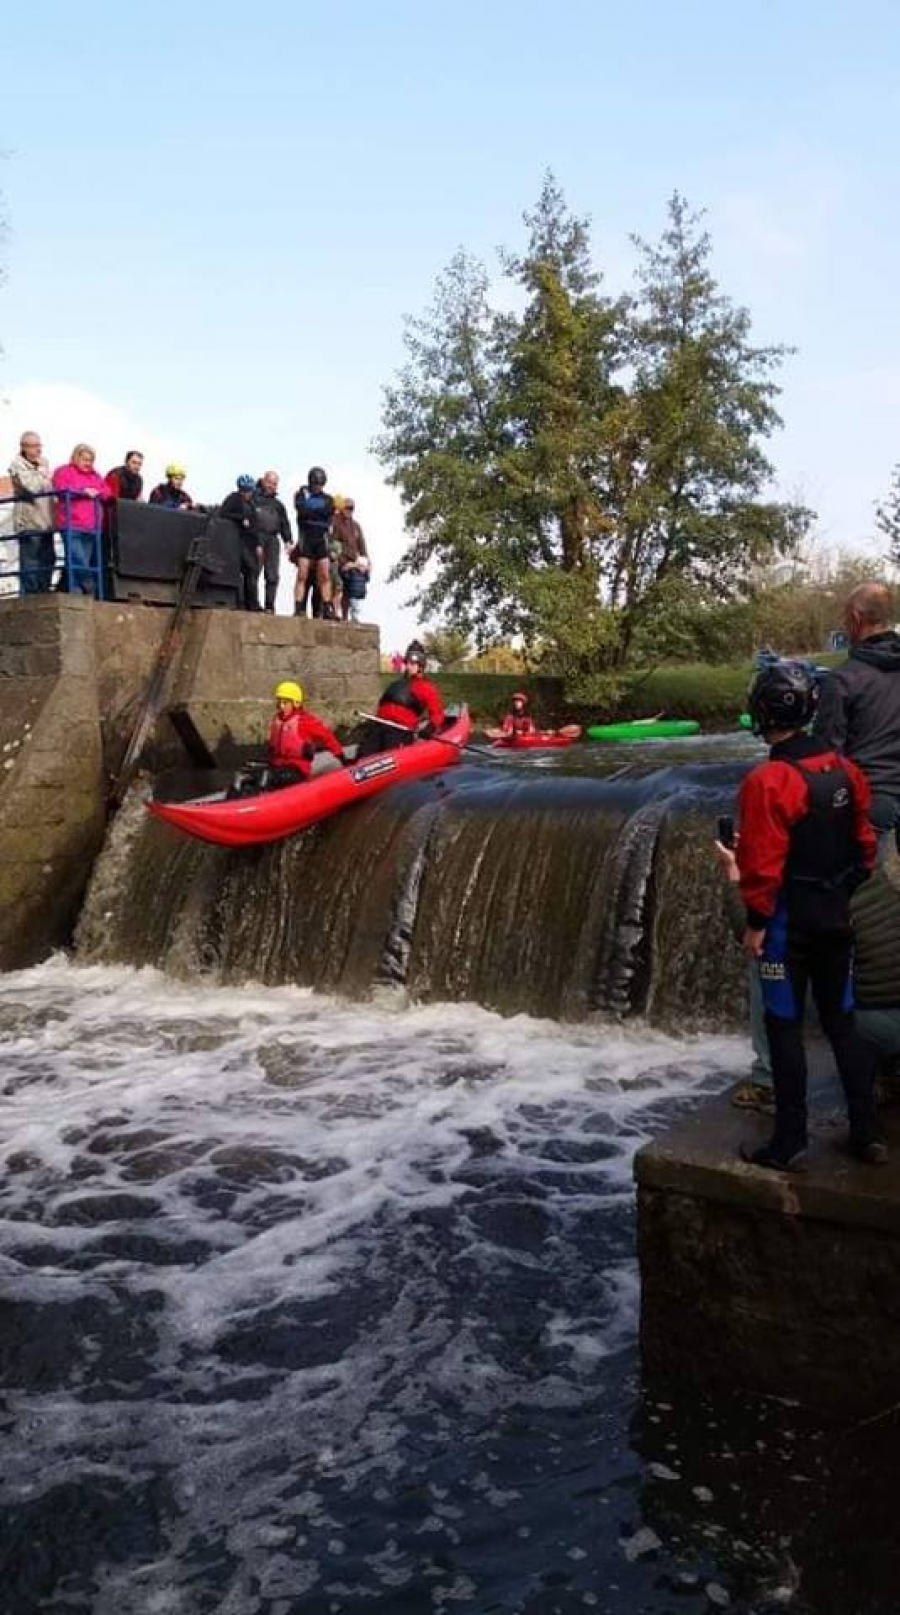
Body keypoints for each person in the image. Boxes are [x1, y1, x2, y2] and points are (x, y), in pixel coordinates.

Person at [735, 660, 885, 1170]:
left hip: (785, 926)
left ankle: (790, 1141)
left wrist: (756, 924)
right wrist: (841, 893)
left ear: (763, 713)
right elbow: (865, 846)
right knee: (843, 1022)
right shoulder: (848, 772)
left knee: (784, 1026)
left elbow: (761, 864)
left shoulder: (768, 781)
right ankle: (867, 1133)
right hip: (836, 917)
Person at [813, 582, 900, 853]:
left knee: (863, 892)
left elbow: (827, 758)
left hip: (871, 798)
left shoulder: (841, 680)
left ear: (856, 617)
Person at [357, 641, 445, 757]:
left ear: (421, 666)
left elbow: (437, 714)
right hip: (379, 727)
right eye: (408, 663)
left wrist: (430, 728)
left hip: (399, 731)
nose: (408, 667)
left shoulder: (427, 688)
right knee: (363, 754)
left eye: (413, 664)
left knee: (388, 754)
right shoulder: (396, 684)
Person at [52, 443, 109, 594]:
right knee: (78, 560)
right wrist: (82, 491)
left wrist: (97, 492)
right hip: (72, 524)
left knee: (79, 564)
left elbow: (107, 491)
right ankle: (90, 586)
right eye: (85, 459)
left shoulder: (95, 475)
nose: (88, 463)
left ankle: (77, 595)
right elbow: (60, 488)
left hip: (92, 526)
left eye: (91, 460)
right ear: (76, 457)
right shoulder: (63, 471)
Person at [267, 680, 346, 783]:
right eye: (279, 702)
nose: (281, 706)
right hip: (277, 763)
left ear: (296, 703)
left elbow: (327, 736)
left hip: (297, 767)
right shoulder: (277, 719)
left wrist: (340, 756)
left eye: (285, 703)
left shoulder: (305, 720)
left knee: (283, 777)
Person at [8, 431, 55, 593]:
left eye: (39, 446)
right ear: (24, 447)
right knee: (31, 560)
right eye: (34, 446)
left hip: (46, 521)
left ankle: (44, 590)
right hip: (29, 521)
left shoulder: (44, 464)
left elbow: (50, 490)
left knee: (48, 558)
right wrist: (42, 470)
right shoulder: (17, 465)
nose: (38, 450)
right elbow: (32, 487)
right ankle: (31, 594)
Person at [294, 466, 335, 619]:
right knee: (302, 574)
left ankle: (328, 607)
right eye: (315, 483)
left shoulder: (328, 499)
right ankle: (298, 607)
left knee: (325, 574)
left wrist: (311, 508)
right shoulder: (301, 494)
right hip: (306, 537)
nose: (317, 486)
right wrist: (315, 511)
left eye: (320, 484)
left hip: (321, 538)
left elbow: (328, 511)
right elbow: (301, 511)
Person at [219, 475, 261, 611]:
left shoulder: (251, 504)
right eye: (245, 491)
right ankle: (241, 603)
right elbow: (223, 513)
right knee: (244, 570)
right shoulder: (233, 499)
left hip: (249, 543)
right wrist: (240, 519)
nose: (247, 494)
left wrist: (257, 544)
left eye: (249, 491)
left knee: (252, 572)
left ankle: (252, 603)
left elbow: (255, 526)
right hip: (237, 541)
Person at [254, 470, 292, 613]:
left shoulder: (278, 505)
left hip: (272, 539)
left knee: (272, 574)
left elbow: (284, 523)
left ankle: (270, 605)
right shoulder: (253, 498)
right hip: (256, 537)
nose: (272, 486)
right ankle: (251, 602)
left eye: (275, 484)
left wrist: (288, 540)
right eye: (270, 482)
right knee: (253, 571)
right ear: (264, 481)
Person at [333, 496, 370, 622]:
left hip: (352, 564)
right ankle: (335, 614)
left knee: (350, 592)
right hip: (339, 562)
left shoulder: (356, 526)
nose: (349, 510)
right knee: (338, 588)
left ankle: (346, 617)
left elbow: (362, 545)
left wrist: (367, 562)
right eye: (347, 507)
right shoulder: (335, 522)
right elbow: (334, 544)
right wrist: (342, 562)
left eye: (351, 508)